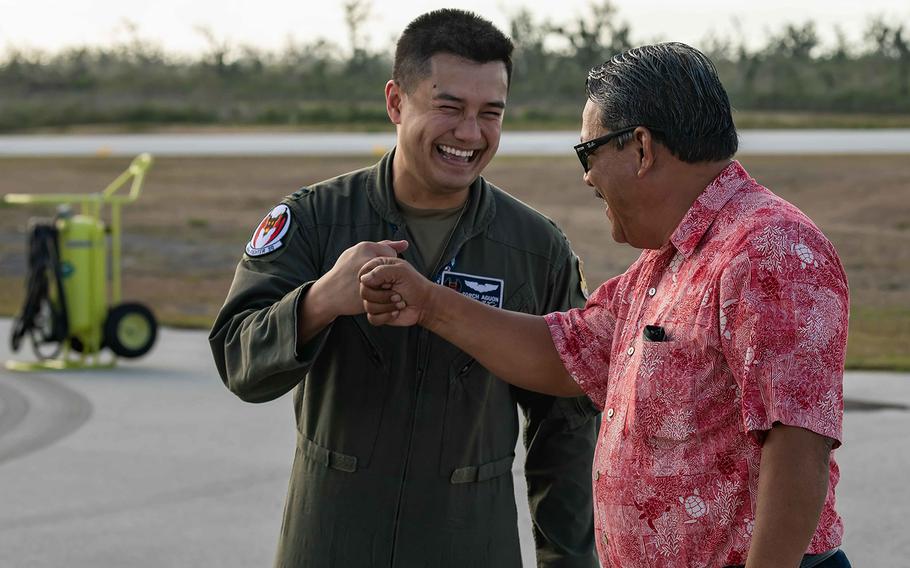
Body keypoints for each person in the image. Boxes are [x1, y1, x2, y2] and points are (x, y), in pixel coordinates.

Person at [359, 43, 851, 568]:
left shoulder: (769, 251)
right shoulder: (668, 261)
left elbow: (798, 445)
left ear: (640, 148)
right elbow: (563, 353)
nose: (587, 177)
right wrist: (430, 304)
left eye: (588, 153)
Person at [209, 9, 600, 568]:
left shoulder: (536, 249)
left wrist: (568, 561)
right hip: (332, 542)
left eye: (491, 113)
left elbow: (565, 426)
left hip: (470, 544)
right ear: (396, 102)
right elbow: (237, 359)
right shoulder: (315, 220)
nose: (470, 133)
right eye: (449, 107)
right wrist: (321, 300)